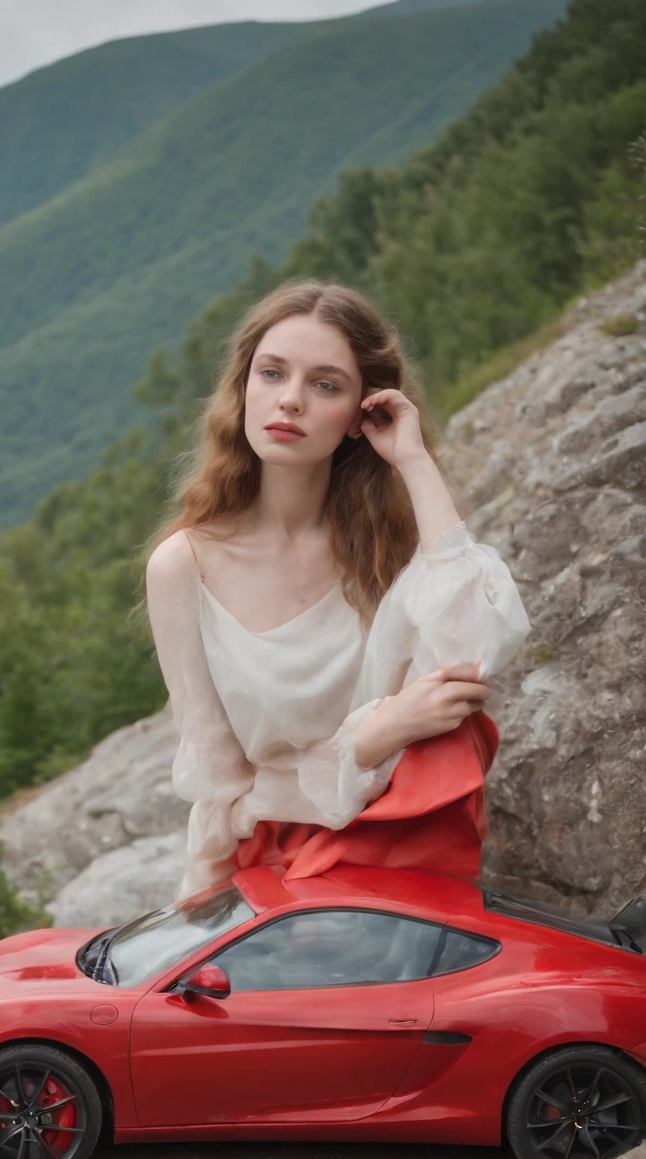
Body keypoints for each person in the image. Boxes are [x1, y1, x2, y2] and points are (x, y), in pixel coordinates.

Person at [144, 280, 531, 902]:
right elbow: (228, 793)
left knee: (451, 740)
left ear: (361, 414)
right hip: (273, 867)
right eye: (271, 373)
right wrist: (375, 736)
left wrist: (413, 461)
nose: (290, 400)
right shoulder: (182, 568)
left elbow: (474, 655)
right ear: (243, 387)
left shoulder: (385, 549)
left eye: (325, 385)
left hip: (392, 842)